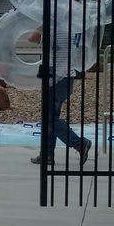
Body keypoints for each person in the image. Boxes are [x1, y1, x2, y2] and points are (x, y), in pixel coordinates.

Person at [27, 26, 90, 165]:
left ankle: (79, 143)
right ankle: (47, 155)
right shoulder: (76, 24)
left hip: (55, 77)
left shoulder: (55, 23)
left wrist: (42, 24)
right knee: (51, 117)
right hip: (68, 76)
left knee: (49, 118)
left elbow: (32, 38)